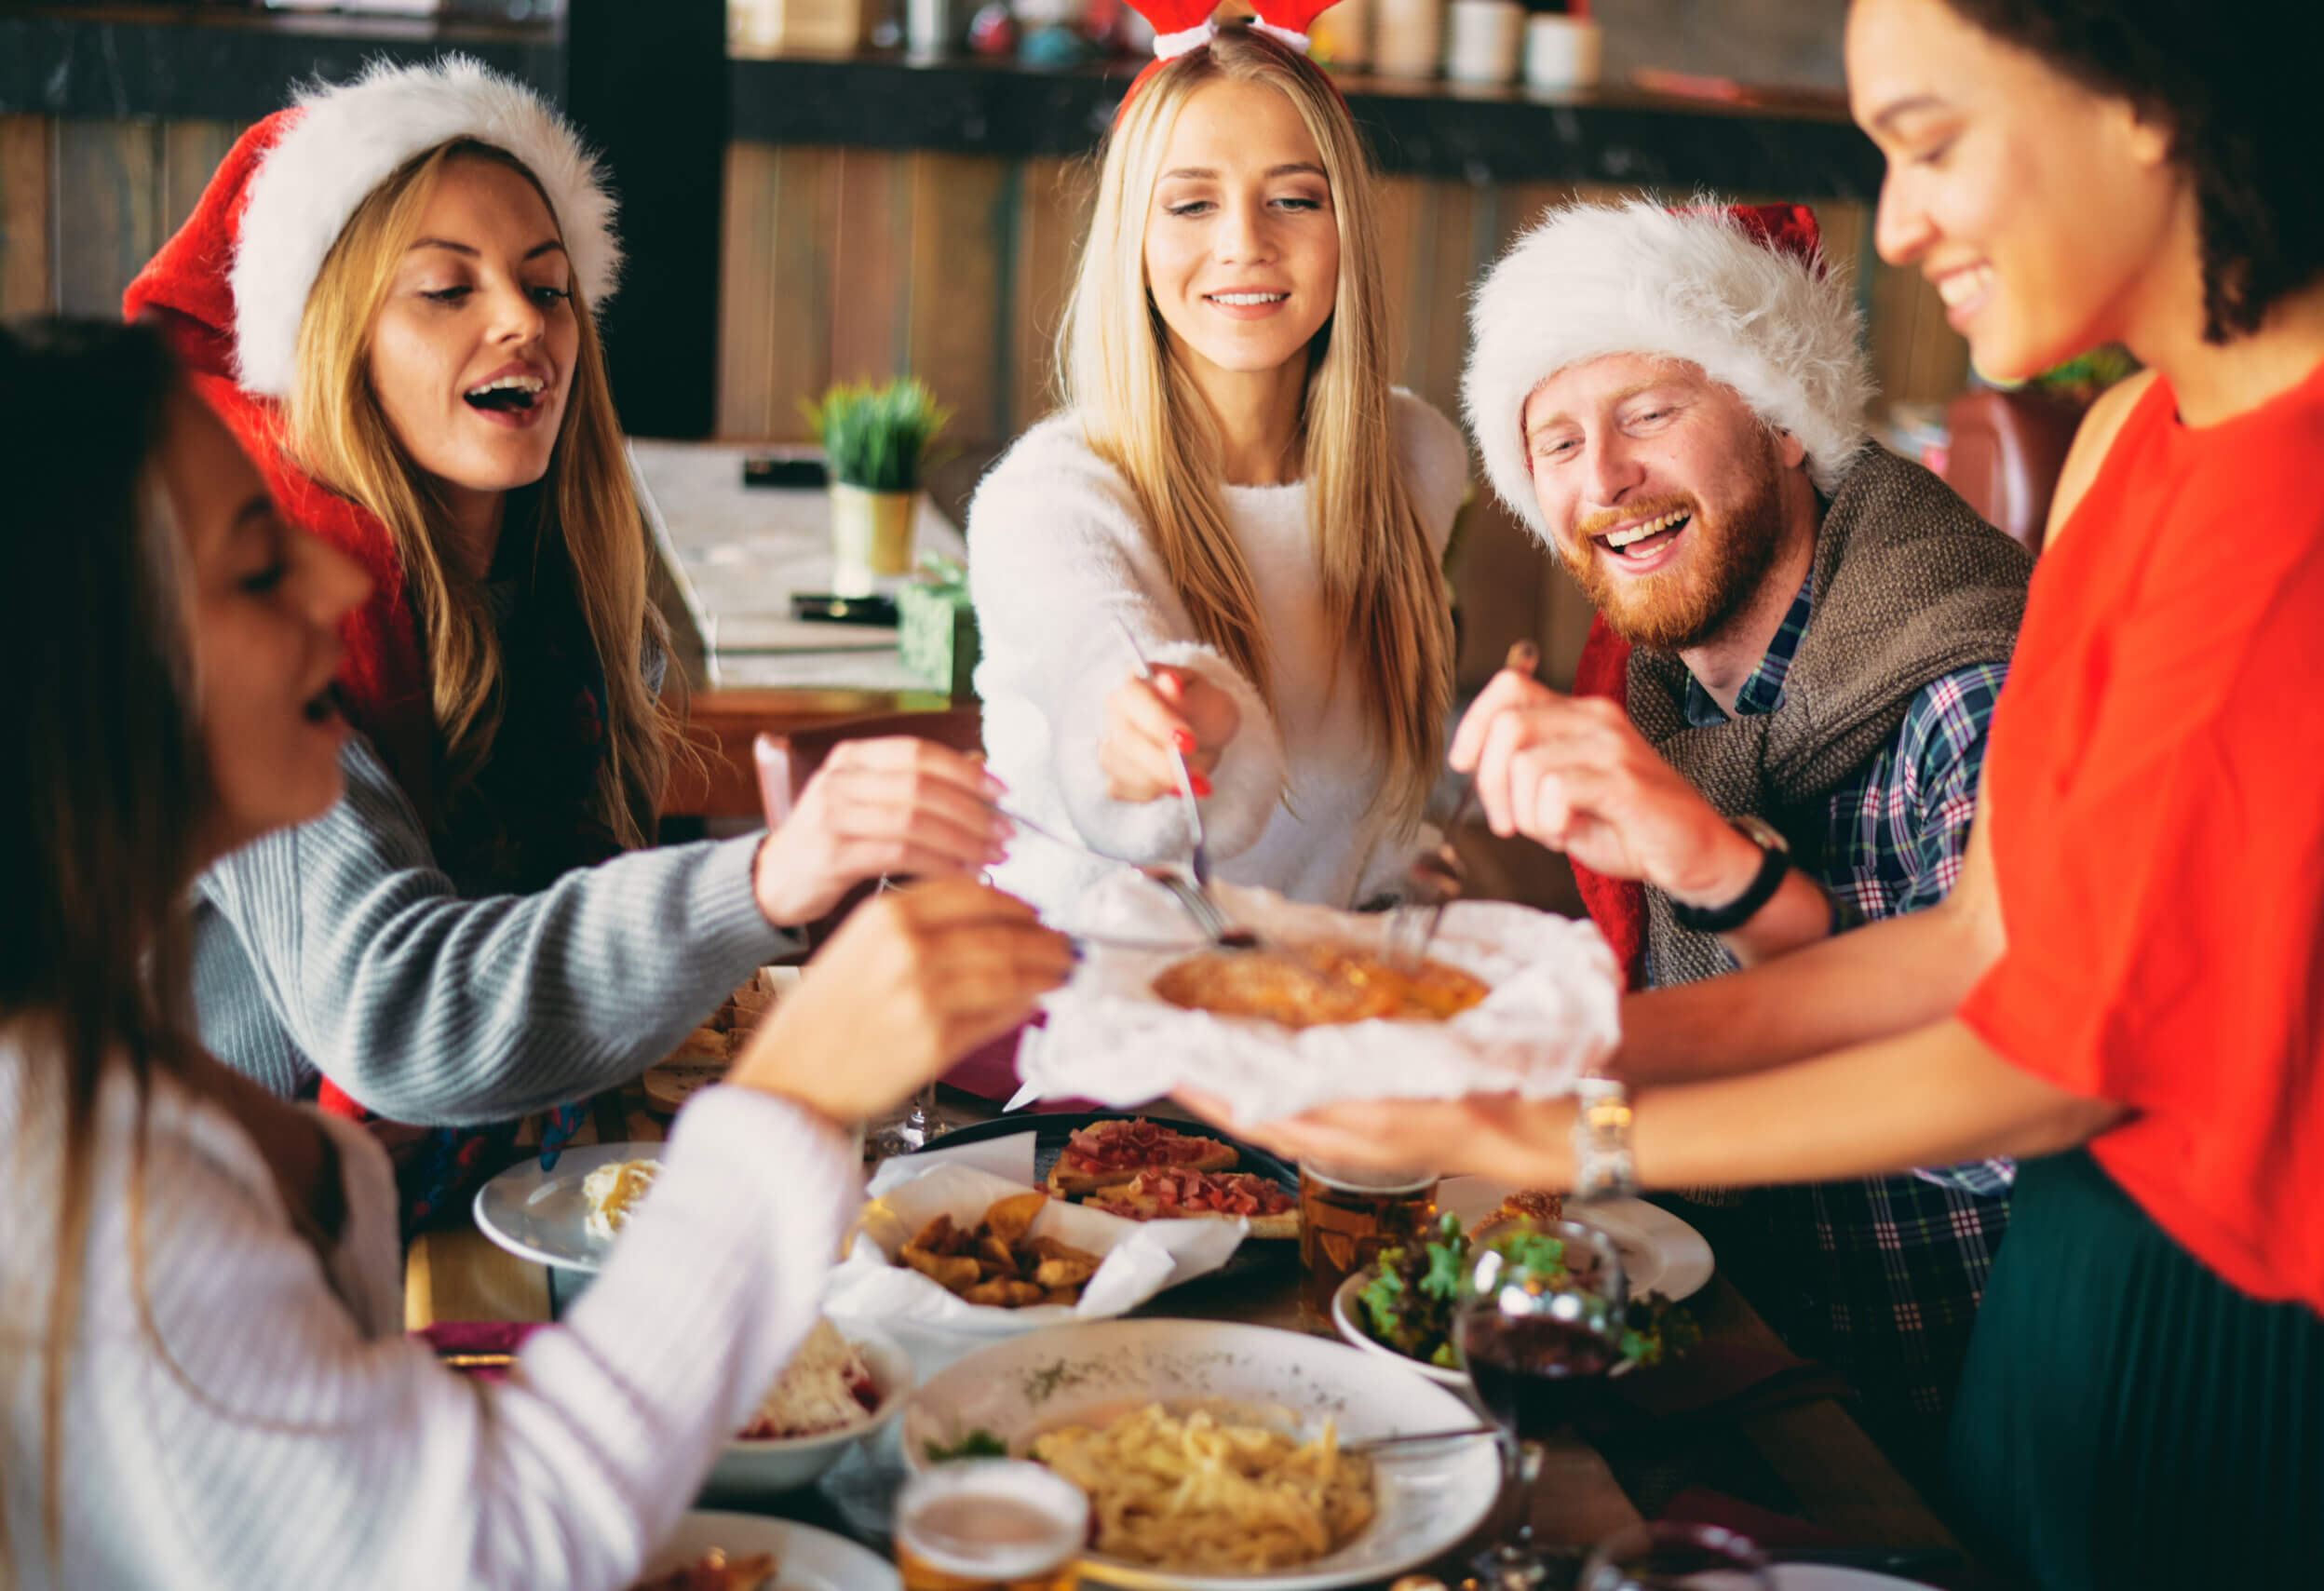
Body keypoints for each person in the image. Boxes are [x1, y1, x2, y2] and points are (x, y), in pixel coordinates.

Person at [1184, 0, 2324, 1581]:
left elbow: (2058, 1066)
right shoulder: (2125, 438)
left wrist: (1553, 1124)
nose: (1895, 227)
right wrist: (1539, 1043)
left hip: (2254, 1335)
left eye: (1932, 141)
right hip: (2060, 1318)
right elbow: (1975, 941)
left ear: (2143, 88)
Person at [0, 317, 1074, 1588]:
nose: (335, 589)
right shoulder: (90, 1184)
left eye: (552, 285)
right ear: (78, 675)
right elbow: (490, 1552)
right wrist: (793, 1090)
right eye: (255, 569)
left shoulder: (88, 1062)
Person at [123, 61, 1002, 1222]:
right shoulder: (266, 636)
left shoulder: (572, 609)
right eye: (446, 289)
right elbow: (397, 1014)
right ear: (338, 344)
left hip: (482, 1183)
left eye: (549, 287)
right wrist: (761, 877)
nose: (520, 321)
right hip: (204, 1244)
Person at [1454, 196, 2032, 1466]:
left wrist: (1713, 865)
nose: (1601, 478)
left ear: (1783, 422)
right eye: (1554, 439)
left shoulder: (1965, 693)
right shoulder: (1655, 680)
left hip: (1928, 1417)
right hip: (1726, 1336)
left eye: (1650, 412)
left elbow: (2002, 1142)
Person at [966, 16, 1469, 926]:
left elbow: (1379, 814)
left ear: (1345, 226)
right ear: (1134, 237)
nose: (1244, 242)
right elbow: (1098, 655)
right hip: (1083, 1016)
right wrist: (1140, 725)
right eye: (1192, 203)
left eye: (1294, 198)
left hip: (1324, 1003)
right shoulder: (1044, 501)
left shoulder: (1415, 460)